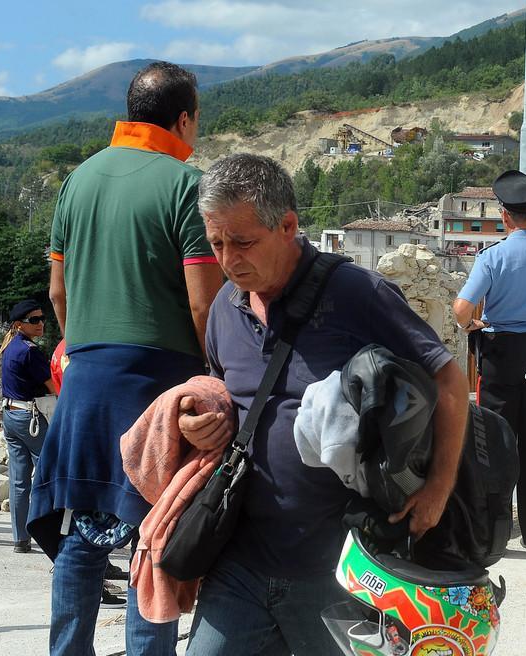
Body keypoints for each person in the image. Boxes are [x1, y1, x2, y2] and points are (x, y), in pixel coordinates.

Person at [181, 153, 468, 654]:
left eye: (243, 242)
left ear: (288, 225)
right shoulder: (226, 308)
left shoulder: (357, 293)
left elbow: (447, 378)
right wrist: (196, 421)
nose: (228, 259)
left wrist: (439, 486)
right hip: (240, 564)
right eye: (217, 243)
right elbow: (220, 392)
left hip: (340, 571)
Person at [29, 61, 223, 655]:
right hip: (158, 390)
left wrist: (83, 352)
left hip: (85, 381)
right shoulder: (185, 185)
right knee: (154, 540)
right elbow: (202, 303)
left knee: (81, 536)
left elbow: (57, 293)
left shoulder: (77, 181)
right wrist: (216, 376)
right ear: (184, 119)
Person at [453, 170, 526, 558]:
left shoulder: (493, 257)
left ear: (504, 216)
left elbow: (461, 310)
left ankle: (493, 533)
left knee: (495, 446)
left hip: (500, 354)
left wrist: (472, 322)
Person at [0, 300, 56, 553]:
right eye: (34, 320)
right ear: (19, 324)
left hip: (10, 415)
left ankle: (20, 539)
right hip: (30, 418)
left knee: (19, 480)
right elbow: (54, 387)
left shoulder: (10, 347)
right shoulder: (30, 351)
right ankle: (53, 536)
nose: (41, 323)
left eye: (42, 318)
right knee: (49, 475)